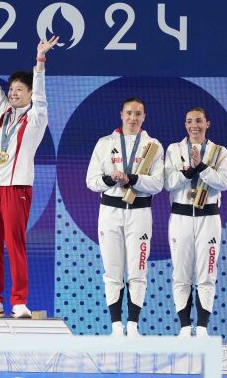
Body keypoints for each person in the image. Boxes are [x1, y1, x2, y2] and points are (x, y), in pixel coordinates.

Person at [0, 27, 58, 318]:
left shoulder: (36, 118)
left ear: (31, 94)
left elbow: (43, 95)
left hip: (17, 188)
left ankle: (19, 301)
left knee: (15, 244)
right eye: (12, 89)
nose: (13, 93)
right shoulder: (4, 113)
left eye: (20, 90)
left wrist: (40, 60)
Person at [85, 98, 164, 337]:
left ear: (144, 116)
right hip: (110, 213)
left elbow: (158, 184)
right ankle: (116, 326)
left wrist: (133, 179)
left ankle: (133, 325)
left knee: (138, 270)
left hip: (139, 214)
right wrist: (111, 179)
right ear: (121, 114)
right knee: (112, 271)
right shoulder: (104, 143)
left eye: (138, 113)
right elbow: (91, 181)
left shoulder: (153, 146)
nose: (133, 118)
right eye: (129, 113)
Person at [164, 107, 227, 337]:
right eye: (189, 121)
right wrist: (188, 170)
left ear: (208, 124)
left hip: (209, 218)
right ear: (185, 125)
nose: (194, 125)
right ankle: (184, 327)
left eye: (199, 121)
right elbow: (168, 182)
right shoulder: (174, 149)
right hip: (181, 217)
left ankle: (202, 327)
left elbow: (223, 182)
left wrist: (201, 167)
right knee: (181, 274)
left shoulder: (220, 152)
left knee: (207, 273)